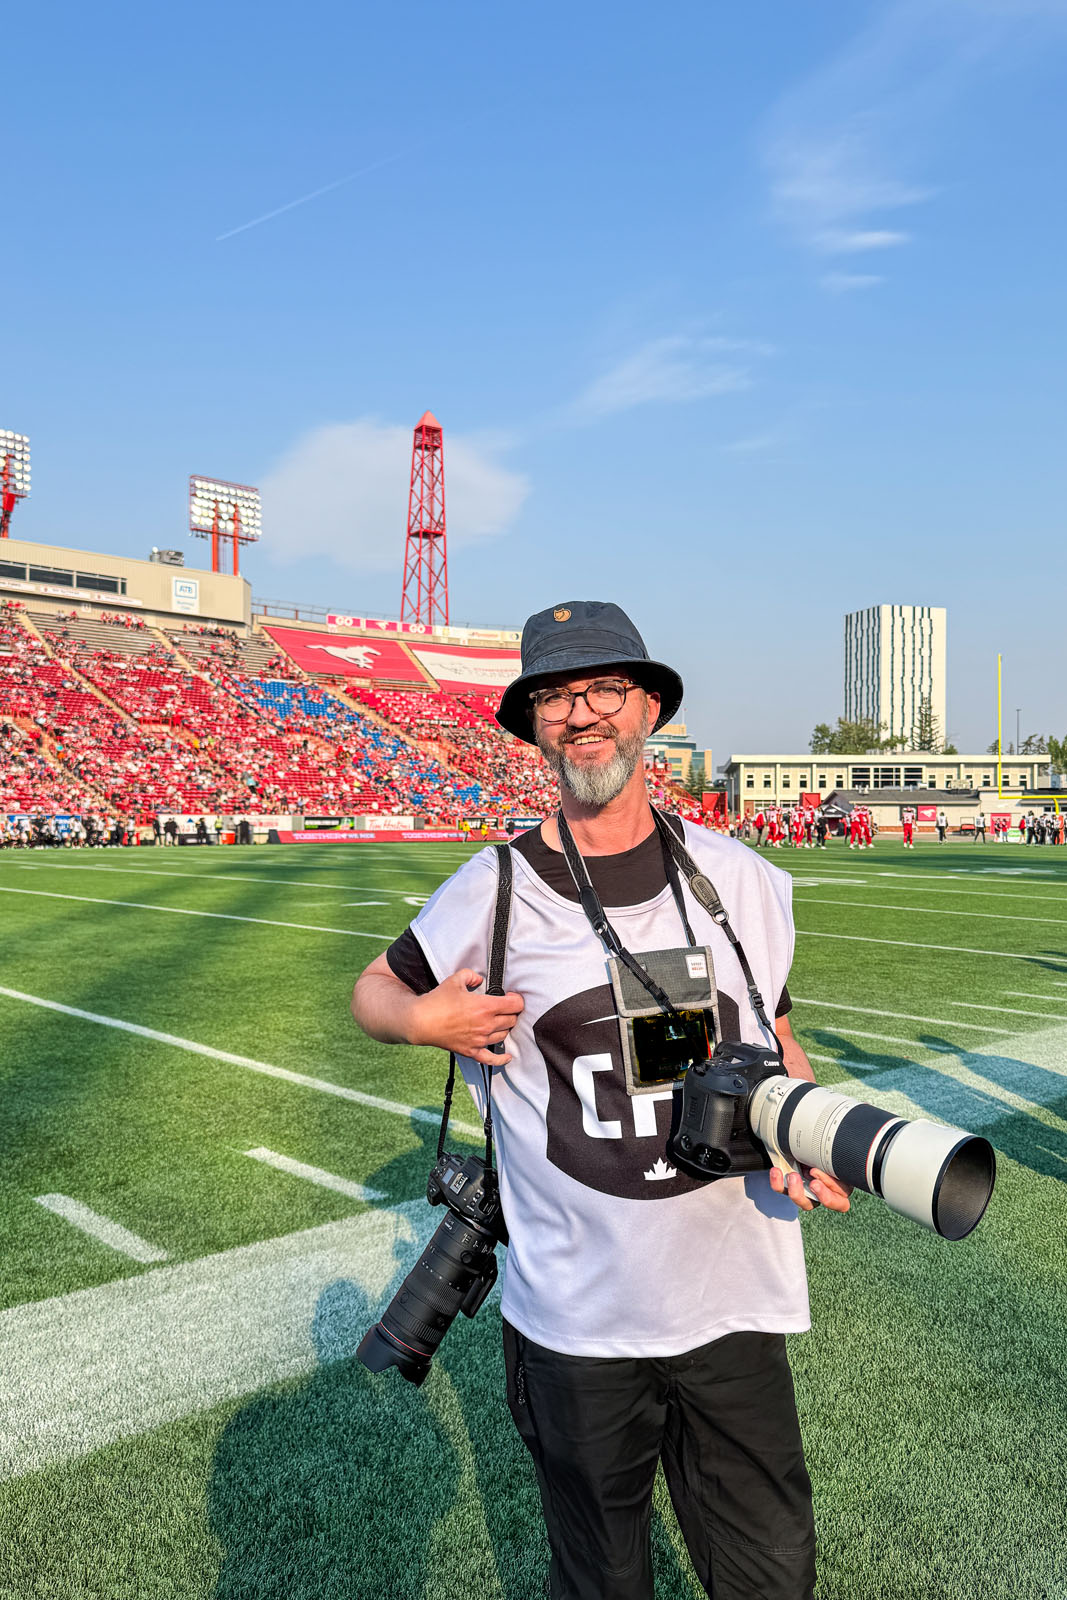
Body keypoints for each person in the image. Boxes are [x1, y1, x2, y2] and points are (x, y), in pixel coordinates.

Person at [351, 600, 851, 1600]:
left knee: (771, 1579)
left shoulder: (740, 878)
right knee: (599, 1582)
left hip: (731, 1303)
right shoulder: (493, 888)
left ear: (649, 708)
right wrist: (421, 1021)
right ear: (533, 726)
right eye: (554, 697)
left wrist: (800, 1129)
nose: (581, 714)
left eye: (604, 689)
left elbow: (776, 1030)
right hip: (575, 1322)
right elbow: (374, 989)